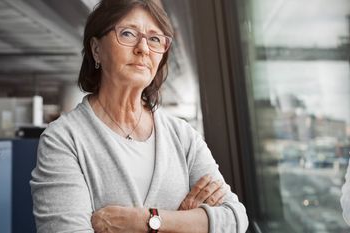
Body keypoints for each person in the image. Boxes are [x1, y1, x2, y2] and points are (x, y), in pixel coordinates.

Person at [30, 0, 248, 232]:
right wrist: (186, 223)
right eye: (127, 33)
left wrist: (147, 221)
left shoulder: (183, 136)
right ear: (96, 49)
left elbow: (235, 219)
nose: (143, 48)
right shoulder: (64, 139)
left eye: (155, 39)